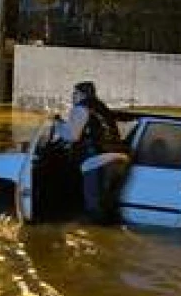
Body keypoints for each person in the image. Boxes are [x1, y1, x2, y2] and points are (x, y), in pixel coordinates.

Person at [53, 82, 129, 223]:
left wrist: (58, 124)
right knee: (108, 204)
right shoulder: (102, 108)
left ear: (82, 94)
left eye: (74, 93)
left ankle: (99, 236)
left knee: (94, 207)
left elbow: (72, 135)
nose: (73, 96)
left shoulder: (81, 108)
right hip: (119, 158)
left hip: (96, 161)